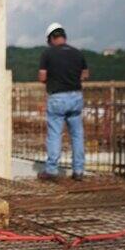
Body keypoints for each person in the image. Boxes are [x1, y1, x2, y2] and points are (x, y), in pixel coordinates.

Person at [37, 23, 89, 181]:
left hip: (57, 97)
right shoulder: (77, 53)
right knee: (77, 134)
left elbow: (42, 77)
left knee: (54, 134)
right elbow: (85, 74)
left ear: (51, 38)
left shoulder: (47, 54)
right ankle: (78, 171)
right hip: (75, 96)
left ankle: (52, 170)